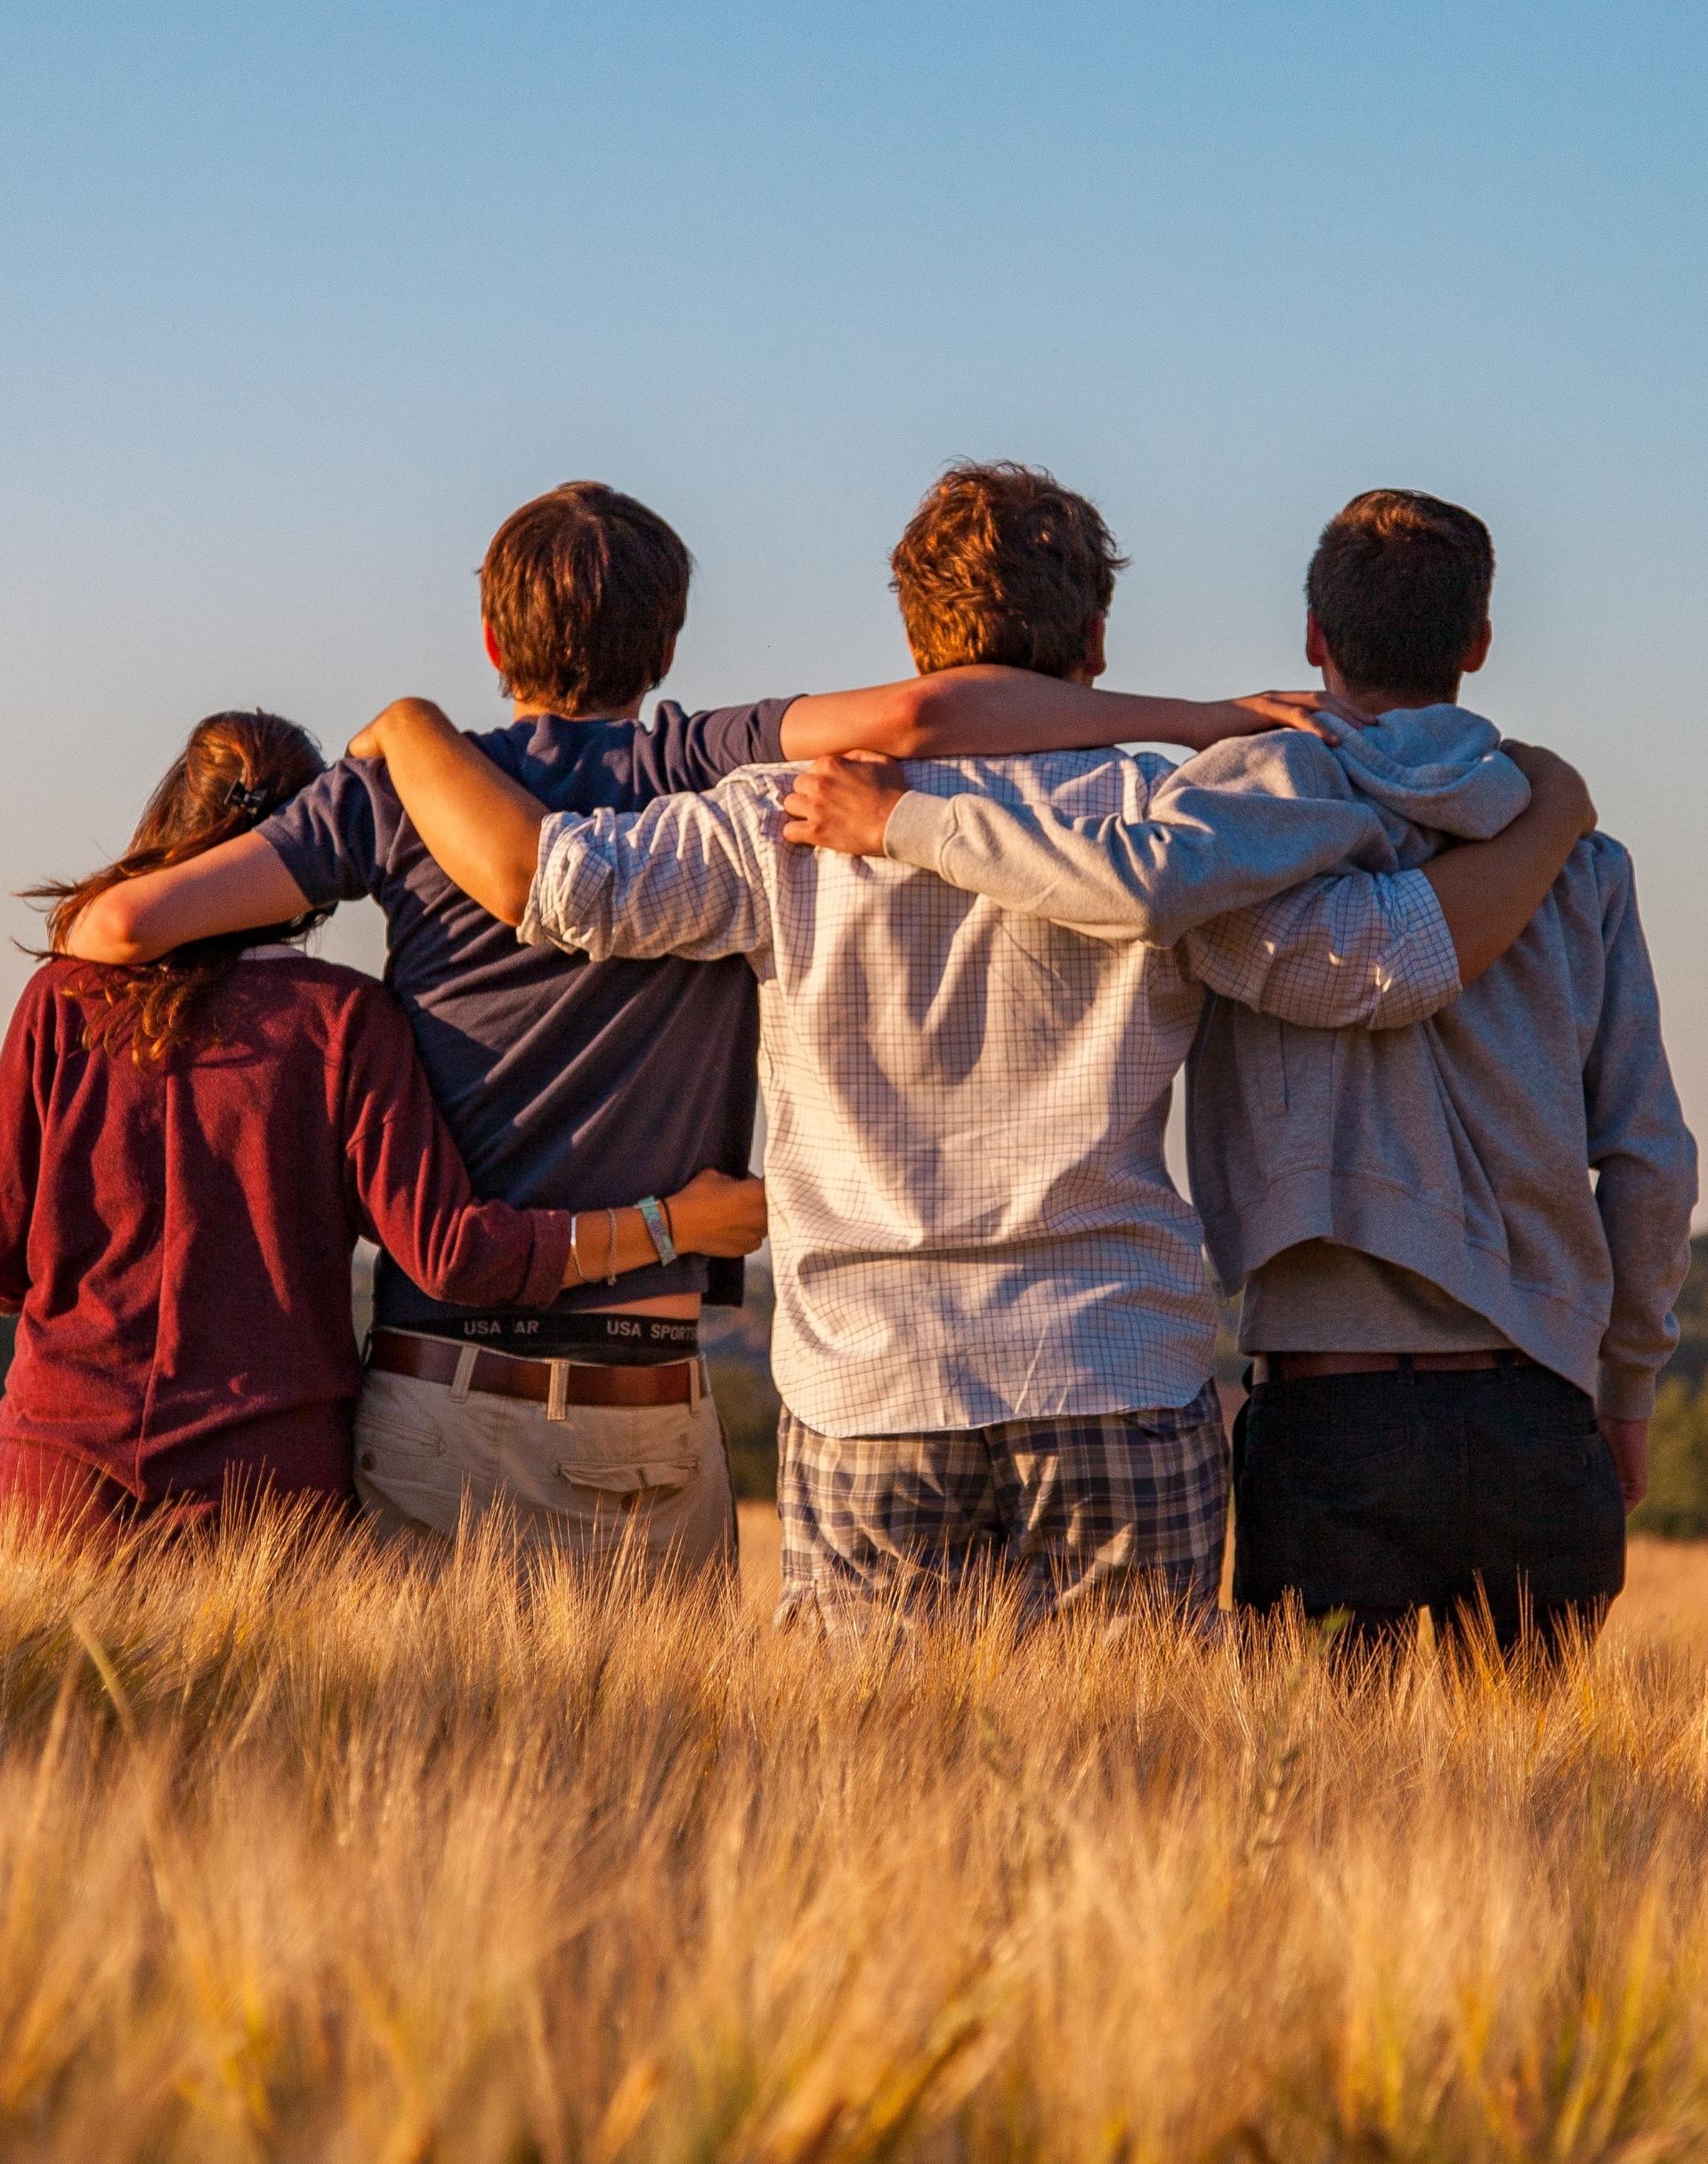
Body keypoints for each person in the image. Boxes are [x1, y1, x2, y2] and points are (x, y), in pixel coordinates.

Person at [347, 466, 1597, 1630]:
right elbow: (1380, 966)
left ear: (912, 640)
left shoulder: (775, 818)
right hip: (1113, 1363)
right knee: (1134, 1791)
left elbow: (555, 885)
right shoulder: (1166, 821)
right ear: (1095, 642)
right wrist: (1548, 818)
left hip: (868, 1383)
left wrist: (409, 730)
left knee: (872, 1801)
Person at [59, 480, 1337, 1568]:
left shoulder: (400, 795)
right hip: (658, 1394)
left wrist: (394, 741)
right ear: (667, 642)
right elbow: (919, 718)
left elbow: (120, 933)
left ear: (490, 640)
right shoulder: (698, 764)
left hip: (446, 1382)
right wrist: (1201, 719)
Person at [787, 488, 1696, 1658]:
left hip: (1328, 1407)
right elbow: (1646, 1156)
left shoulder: (1231, 825)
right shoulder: (1579, 860)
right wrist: (1625, 1385)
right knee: (1536, 1822)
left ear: (1314, 636)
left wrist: (904, 821)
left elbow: (1129, 883)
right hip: (1539, 1407)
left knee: (1312, 1811)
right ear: (1475, 644)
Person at [0, 708, 766, 1550]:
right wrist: (674, 1225)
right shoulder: (344, 1022)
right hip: (264, 1515)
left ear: (170, 824)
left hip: (51, 1496)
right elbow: (454, 1255)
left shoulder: (63, 1003)